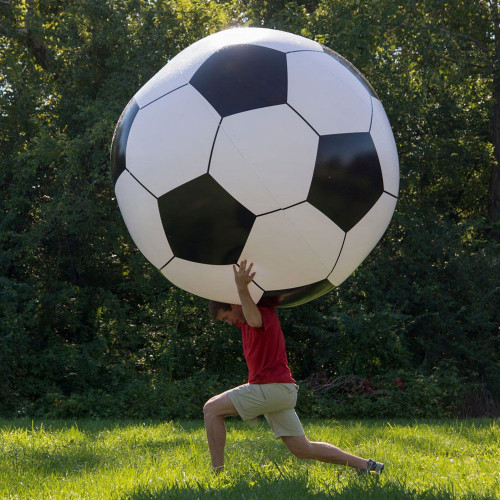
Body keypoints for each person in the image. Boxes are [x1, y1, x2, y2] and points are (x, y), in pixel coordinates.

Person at [203, 259, 384, 475]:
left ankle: (217, 474)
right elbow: (246, 317)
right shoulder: (245, 322)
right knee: (302, 449)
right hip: (280, 392)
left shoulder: (263, 312)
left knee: (211, 409)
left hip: (271, 388)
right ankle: (367, 466)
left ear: (233, 306)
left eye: (226, 317)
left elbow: (253, 317)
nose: (229, 322)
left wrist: (242, 288)